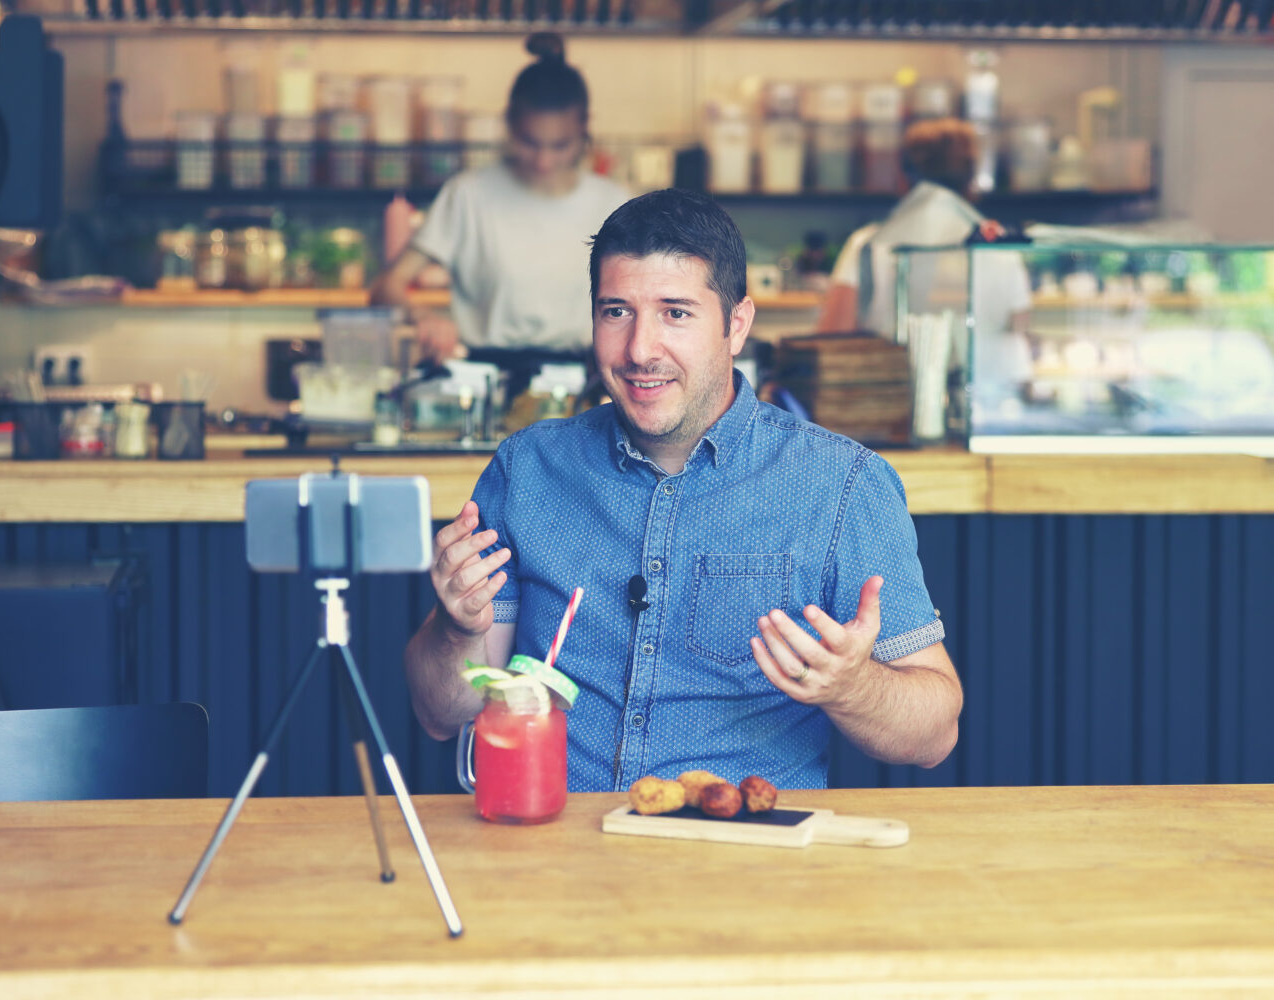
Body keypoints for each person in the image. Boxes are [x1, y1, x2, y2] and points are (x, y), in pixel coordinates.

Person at [404, 189, 963, 792]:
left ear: (737, 324)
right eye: (616, 311)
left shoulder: (841, 485)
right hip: (551, 846)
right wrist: (455, 631)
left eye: (676, 312)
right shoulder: (528, 469)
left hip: (745, 856)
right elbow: (441, 715)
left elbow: (935, 735)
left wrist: (851, 687)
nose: (641, 350)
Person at [371, 32, 629, 369]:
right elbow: (385, 287)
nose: (543, 161)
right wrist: (422, 316)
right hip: (484, 381)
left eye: (560, 145)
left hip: (584, 384)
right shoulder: (468, 195)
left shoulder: (615, 204)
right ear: (508, 124)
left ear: (584, 131)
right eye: (529, 142)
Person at [815, 118, 1031, 370]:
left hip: (895, 396)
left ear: (903, 176)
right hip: (987, 397)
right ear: (971, 177)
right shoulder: (1000, 246)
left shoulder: (869, 243)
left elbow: (831, 339)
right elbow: (1018, 328)